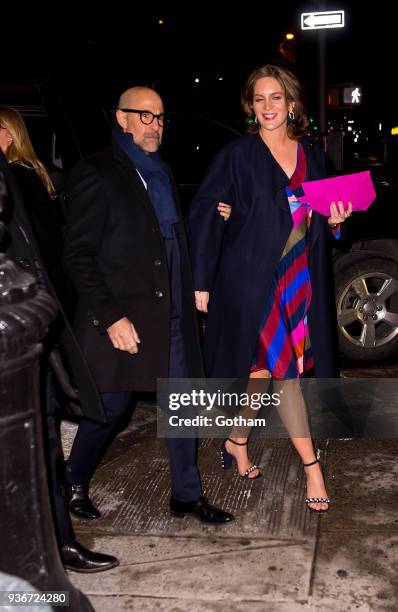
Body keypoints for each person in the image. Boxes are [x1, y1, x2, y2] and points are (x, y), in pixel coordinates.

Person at [62, 86, 234, 524]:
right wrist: (111, 317)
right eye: (144, 116)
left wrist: (196, 278)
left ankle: (185, 495)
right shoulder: (96, 173)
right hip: (123, 317)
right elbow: (77, 255)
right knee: (111, 410)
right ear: (121, 119)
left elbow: (172, 241)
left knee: (181, 405)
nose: (154, 125)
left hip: (170, 314)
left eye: (159, 117)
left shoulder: (160, 172)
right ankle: (72, 482)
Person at [188, 65, 352, 512]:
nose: (268, 107)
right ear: (250, 106)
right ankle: (311, 467)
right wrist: (201, 279)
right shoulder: (237, 155)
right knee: (287, 376)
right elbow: (204, 209)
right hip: (251, 281)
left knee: (262, 373)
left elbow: (325, 212)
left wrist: (336, 222)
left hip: (300, 277)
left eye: (276, 98)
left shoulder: (312, 154)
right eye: (259, 99)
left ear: (292, 103)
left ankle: (236, 441)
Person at [0, 107, 119, 572]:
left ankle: (58, 543)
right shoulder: (33, 179)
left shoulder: (28, 180)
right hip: (29, 325)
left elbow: (51, 255)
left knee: (42, 437)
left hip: (31, 327)